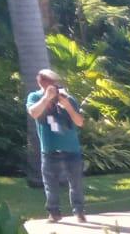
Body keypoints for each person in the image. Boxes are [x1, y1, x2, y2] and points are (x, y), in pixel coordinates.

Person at [25, 69, 86, 223]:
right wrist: (46, 98)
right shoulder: (35, 97)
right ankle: (54, 212)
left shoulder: (68, 99)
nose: (53, 86)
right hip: (50, 150)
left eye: (55, 83)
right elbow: (33, 113)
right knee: (50, 184)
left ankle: (79, 211)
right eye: (48, 83)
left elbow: (80, 122)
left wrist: (67, 105)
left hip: (72, 149)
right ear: (41, 83)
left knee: (76, 183)